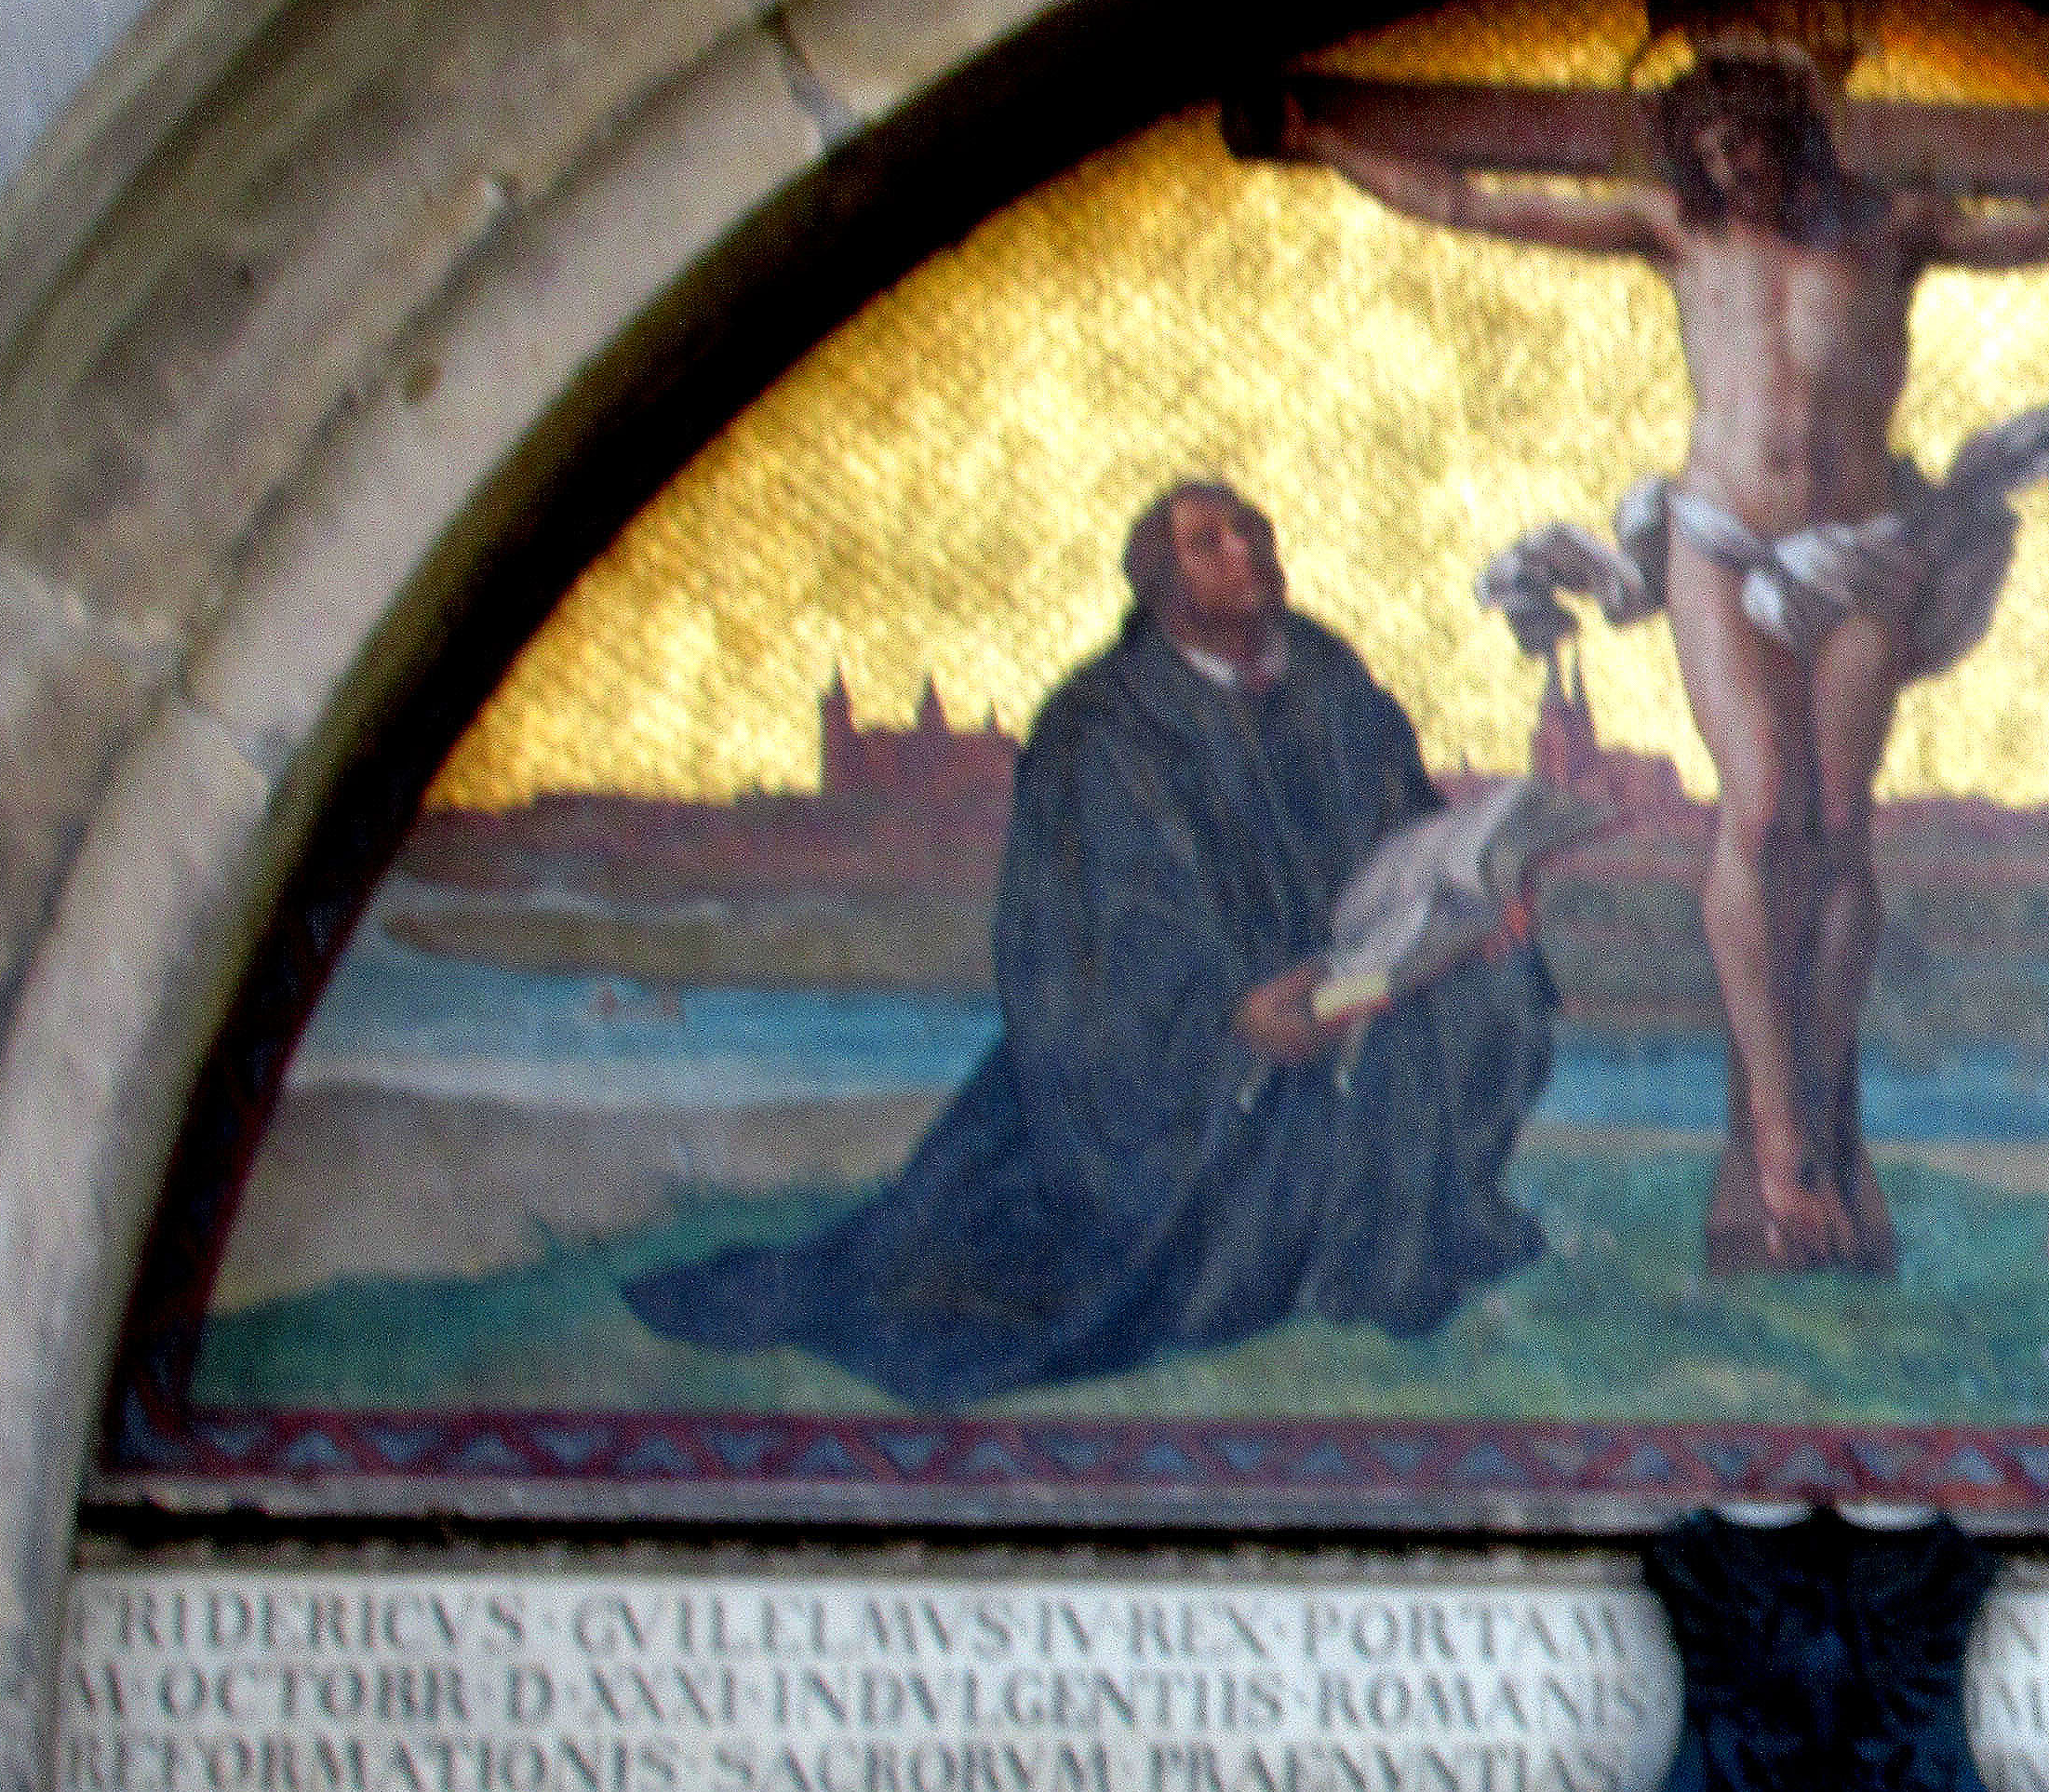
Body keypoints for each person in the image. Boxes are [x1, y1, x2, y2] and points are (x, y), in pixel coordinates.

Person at [1298, 25, 2049, 1277]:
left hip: (1860, 547)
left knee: (1835, 828)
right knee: (1757, 821)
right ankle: (1772, 1133)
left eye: (1750, 145)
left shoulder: (1891, 228)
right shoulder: (1682, 232)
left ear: (1792, 138)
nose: (1732, 169)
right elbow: (1471, 200)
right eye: (1709, 150)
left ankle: (1819, 1110)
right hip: (1720, 543)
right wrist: (1328, 139)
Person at [623, 485, 1553, 1406]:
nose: (1243, 552)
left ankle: (1394, 1238)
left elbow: (1409, 828)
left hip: (1356, 981)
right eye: (1207, 541)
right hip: (1188, 1037)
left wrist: (1482, 898)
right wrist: (1233, 1004)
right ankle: (1291, 1248)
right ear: (1157, 581)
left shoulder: (1328, 679)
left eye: (1252, 531)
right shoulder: (1102, 726)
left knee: (1500, 987)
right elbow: (1106, 924)